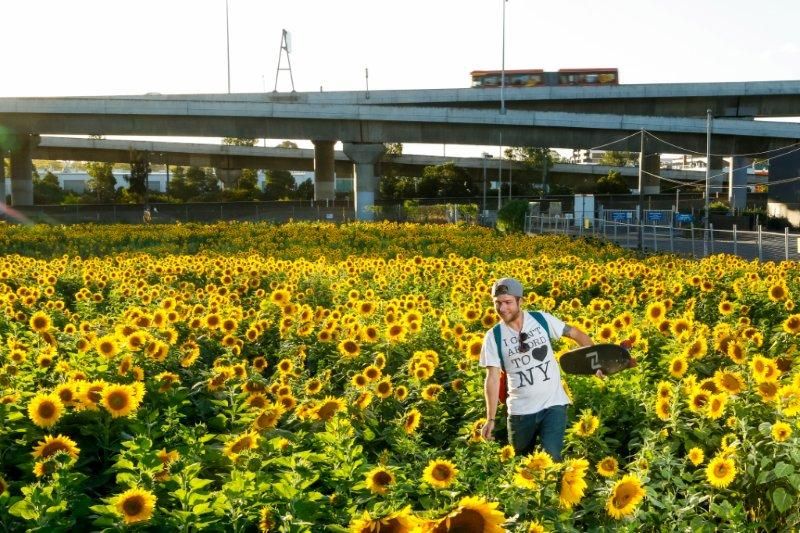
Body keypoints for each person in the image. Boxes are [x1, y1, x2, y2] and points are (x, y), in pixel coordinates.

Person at [479, 277, 595, 461]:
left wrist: (594, 362)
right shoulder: (493, 336)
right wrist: (490, 419)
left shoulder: (541, 319)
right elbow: (492, 379)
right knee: (523, 463)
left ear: (520, 301)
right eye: (497, 303)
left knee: (552, 458)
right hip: (520, 412)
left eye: (508, 302)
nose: (502, 309)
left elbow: (575, 333)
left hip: (554, 404)